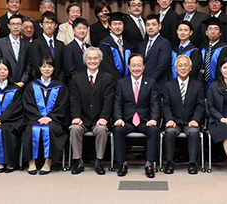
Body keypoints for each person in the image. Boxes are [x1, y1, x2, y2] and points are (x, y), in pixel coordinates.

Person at [113, 53, 160, 178]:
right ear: (128, 67)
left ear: (144, 66)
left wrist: (153, 119)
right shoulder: (122, 83)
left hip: (145, 121)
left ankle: (149, 164)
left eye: (139, 65)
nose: (136, 68)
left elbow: (154, 103)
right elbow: (118, 103)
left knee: (154, 130)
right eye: (133, 65)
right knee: (117, 130)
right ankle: (122, 163)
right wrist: (118, 119)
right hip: (127, 121)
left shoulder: (151, 82)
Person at [68, 47, 115, 175]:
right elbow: (74, 100)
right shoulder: (76, 78)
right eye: (89, 58)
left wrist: (104, 117)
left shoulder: (108, 78)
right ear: (85, 60)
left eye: (95, 58)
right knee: (74, 128)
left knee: (101, 130)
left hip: (99, 118)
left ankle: (99, 162)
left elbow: (108, 101)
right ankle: (78, 161)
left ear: (100, 60)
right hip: (82, 118)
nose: (92, 61)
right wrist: (76, 117)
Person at [21, 56, 69, 175]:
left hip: (53, 119)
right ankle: (31, 162)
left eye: (50, 66)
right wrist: (38, 117)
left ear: (53, 68)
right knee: (30, 129)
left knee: (52, 129)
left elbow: (63, 106)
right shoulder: (31, 86)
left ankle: (48, 161)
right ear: (39, 68)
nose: (46, 69)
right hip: (35, 118)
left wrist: (50, 117)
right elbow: (27, 104)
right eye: (44, 66)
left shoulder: (61, 86)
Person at [161, 54, 205, 175]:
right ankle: (169, 162)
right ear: (175, 68)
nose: (183, 68)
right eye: (180, 66)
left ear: (190, 68)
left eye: (186, 65)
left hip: (190, 121)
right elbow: (166, 106)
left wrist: (196, 119)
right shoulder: (168, 86)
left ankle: (192, 163)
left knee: (194, 132)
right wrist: (169, 119)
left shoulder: (197, 85)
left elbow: (200, 105)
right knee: (169, 132)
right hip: (174, 120)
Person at [0, 14, 32, 87]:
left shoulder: (27, 44)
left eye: (18, 24)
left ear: (22, 26)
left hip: (22, 85)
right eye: (13, 24)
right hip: (4, 84)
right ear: (8, 26)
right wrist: (7, 80)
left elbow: (29, 65)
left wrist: (23, 81)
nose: (15, 27)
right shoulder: (0, 43)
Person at [201, 17, 227, 94]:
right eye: (210, 29)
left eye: (216, 29)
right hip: (202, 86)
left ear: (220, 33)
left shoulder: (225, 49)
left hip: (219, 87)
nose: (213, 32)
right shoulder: (202, 49)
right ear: (206, 32)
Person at [138, 14, 172, 87]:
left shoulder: (165, 43)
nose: (150, 27)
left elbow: (161, 66)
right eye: (148, 25)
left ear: (159, 26)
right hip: (143, 84)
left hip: (158, 84)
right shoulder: (142, 44)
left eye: (153, 25)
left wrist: (149, 81)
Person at [31, 12, 65, 82]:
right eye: (46, 23)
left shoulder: (60, 44)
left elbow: (63, 66)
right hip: (41, 81)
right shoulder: (36, 43)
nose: (49, 26)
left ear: (56, 25)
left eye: (52, 23)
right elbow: (37, 65)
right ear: (41, 25)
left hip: (58, 82)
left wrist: (58, 81)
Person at [99, 13, 132, 80]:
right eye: (114, 24)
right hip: (111, 82)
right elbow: (107, 66)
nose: (117, 27)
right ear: (110, 26)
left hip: (127, 83)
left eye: (120, 24)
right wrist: (120, 82)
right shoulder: (105, 44)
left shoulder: (128, 45)